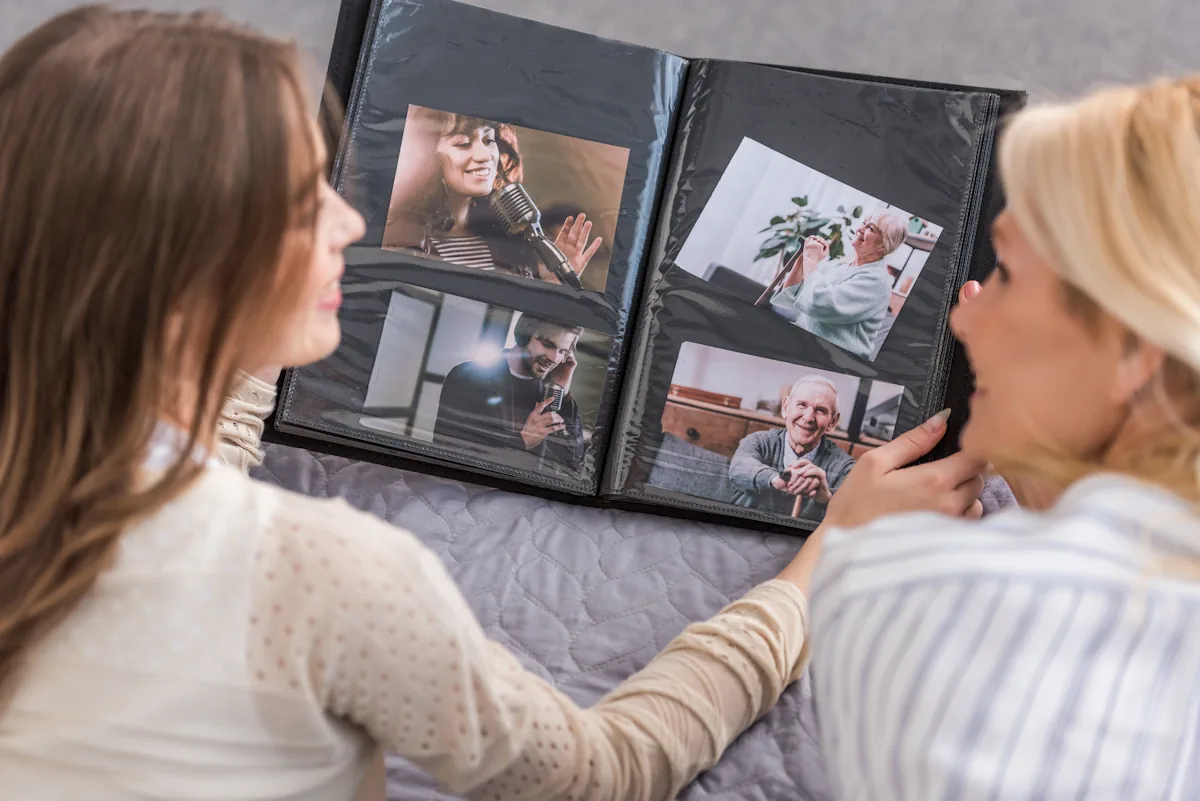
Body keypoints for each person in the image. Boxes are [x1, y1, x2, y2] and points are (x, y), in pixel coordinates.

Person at [0, 9, 987, 799]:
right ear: (182, 294)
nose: (350, 219)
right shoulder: (332, 577)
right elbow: (600, 774)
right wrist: (825, 564)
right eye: (304, 205)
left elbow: (184, 425)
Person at [774, 75, 1200, 798]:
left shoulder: (955, 624)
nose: (964, 316)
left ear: (1133, 352)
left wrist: (841, 556)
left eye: (1005, 273)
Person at [382, 107, 603, 286]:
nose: (484, 155)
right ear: (427, 156)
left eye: (488, 141)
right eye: (463, 143)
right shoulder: (400, 237)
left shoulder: (512, 239)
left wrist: (549, 283)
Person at [433, 314, 586, 470]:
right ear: (524, 336)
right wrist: (523, 440)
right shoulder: (467, 376)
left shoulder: (549, 393)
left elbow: (575, 465)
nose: (555, 358)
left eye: (563, 352)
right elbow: (450, 453)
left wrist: (562, 392)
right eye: (547, 344)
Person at [771, 212, 907, 358]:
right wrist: (804, 257)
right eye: (864, 223)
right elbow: (789, 298)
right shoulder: (840, 265)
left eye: (871, 228)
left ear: (884, 246)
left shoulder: (876, 281)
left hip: (832, 356)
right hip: (803, 343)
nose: (861, 229)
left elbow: (820, 305)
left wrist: (812, 260)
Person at [728, 376, 855, 521]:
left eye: (820, 410)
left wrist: (826, 497)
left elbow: (852, 515)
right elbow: (738, 468)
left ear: (832, 422)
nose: (808, 418)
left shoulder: (845, 467)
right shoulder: (759, 441)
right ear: (786, 407)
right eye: (801, 405)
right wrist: (777, 480)